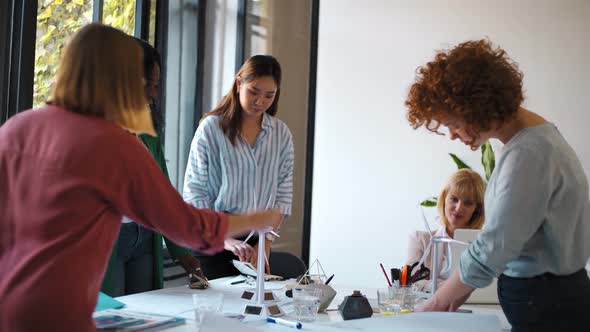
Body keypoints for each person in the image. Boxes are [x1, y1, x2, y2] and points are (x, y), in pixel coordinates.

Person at [0, 23, 281, 332]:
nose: (150, 93)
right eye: (146, 81)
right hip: (61, 316)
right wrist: (257, 219)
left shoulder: (15, 128)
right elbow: (188, 227)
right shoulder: (113, 144)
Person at [405, 39, 590, 330]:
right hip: (552, 299)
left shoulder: (528, 153)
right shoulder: (537, 139)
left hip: (546, 305)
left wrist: (436, 304)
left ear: (477, 106)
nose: (452, 135)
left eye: (453, 123)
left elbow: (493, 248)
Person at [100, 38, 206, 297]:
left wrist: (181, 252)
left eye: (156, 85)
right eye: (147, 84)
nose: (153, 94)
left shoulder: (147, 131)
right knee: (111, 321)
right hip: (107, 242)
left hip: (145, 239)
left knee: (147, 318)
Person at [183, 55, 294, 279]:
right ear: (239, 83)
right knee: (216, 310)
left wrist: (266, 243)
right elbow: (195, 192)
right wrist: (225, 240)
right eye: (254, 91)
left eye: (269, 95)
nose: (260, 101)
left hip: (256, 243)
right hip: (213, 240)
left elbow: (283, 194)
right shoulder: (211, 129)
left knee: (255, 310)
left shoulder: (280, 134)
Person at [406, 168, 485, 290]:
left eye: (468, 203)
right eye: (454, 199)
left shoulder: (485, 244)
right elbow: (411, 281)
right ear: (444, 199)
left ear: (477, 209)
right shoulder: (420, 240)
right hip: (432, 308)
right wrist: (452, 288)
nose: (459, 208)